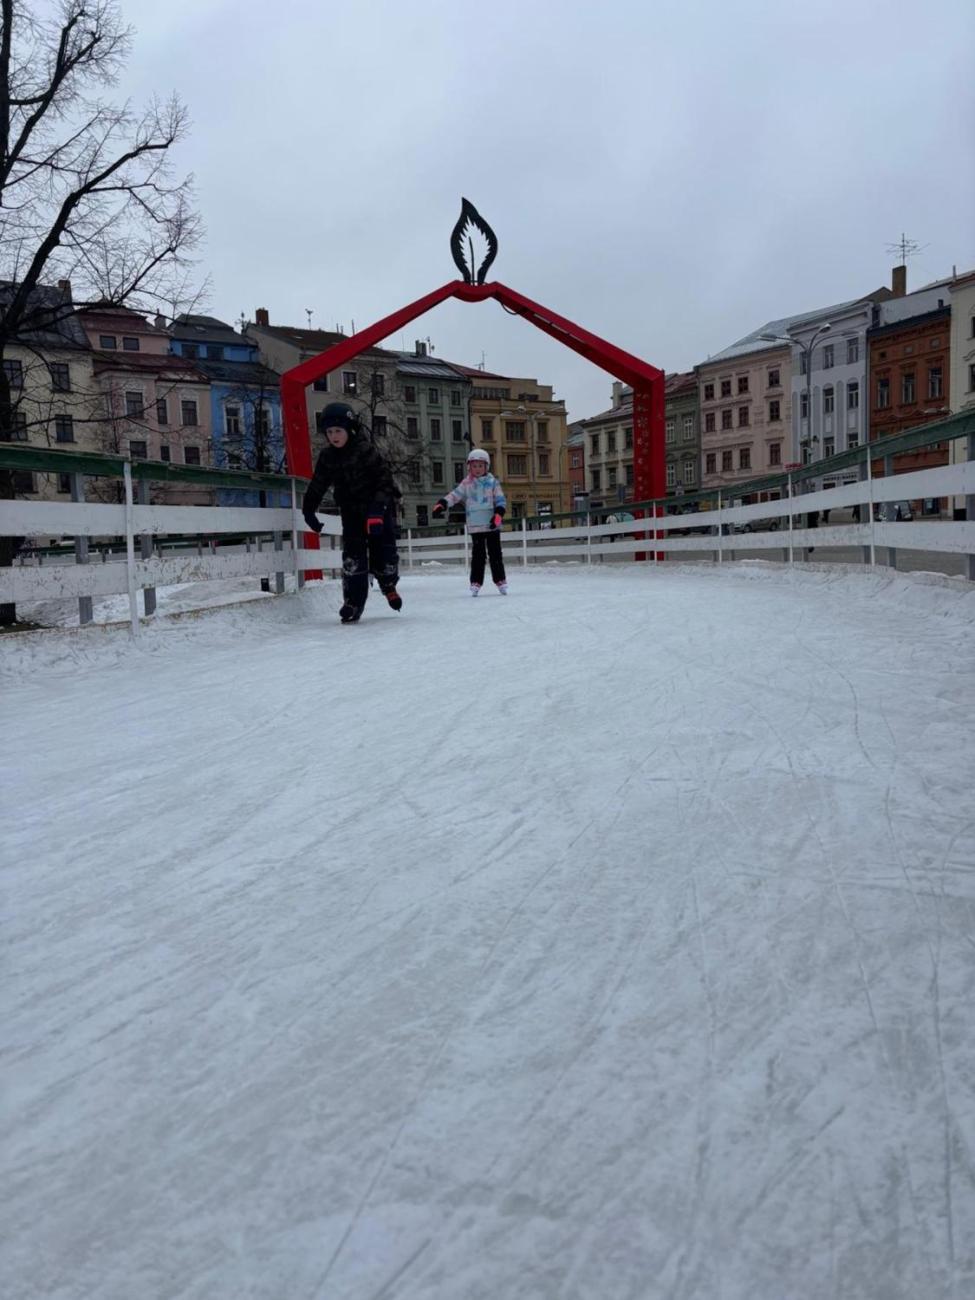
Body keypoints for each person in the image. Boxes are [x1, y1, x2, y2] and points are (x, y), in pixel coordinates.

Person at [301, 402, 402, 623]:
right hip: (352, 513)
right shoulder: (328, 457)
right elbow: (318, 484)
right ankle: (353, 603)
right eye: (329, 432)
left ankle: (388, 585)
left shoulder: (365, 450)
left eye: (338, 431)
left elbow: (385, 482)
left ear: (350, 430)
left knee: (384, 554)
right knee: (353, 558)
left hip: (378, 510)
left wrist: (377, 510)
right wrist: (309, 510)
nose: (334, 436)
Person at [432, 448, 508, 595]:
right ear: (469, 467)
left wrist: (498, 514)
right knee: (478, 556)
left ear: (486, 466)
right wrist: (443, 503)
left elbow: (500, 500)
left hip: (492, 524)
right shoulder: (466, 484)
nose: (477, 469)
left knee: (495, 554)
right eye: (474, 466)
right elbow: (455, 495)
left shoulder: (493, 482)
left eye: (480, 466)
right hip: (476, 526)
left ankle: (500, 580)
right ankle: (476, 582)